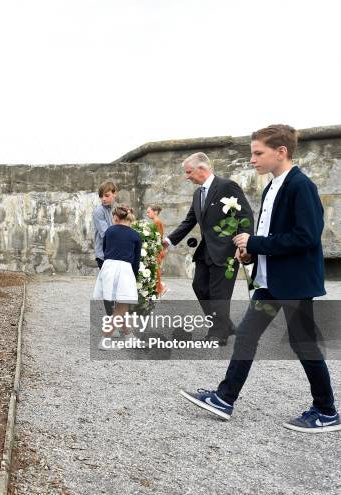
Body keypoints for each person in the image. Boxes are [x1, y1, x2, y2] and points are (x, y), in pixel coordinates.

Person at [181, 124, 340, 433]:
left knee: (303, 344)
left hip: (293, 284)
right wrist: (251, 254)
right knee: (246, 336)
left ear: (281, 152)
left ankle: (327, 410)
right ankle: (224, 398)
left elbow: (306, 237)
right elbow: (271, 235)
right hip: (269, 283)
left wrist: (255, 244)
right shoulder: (271, 187)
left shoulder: (300, 186)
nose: (252, 160)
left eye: (257, 153)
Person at [163, 153, 253, 345]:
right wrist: (169, 241)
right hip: (206, 250)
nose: (187, 176)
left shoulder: (227, 186)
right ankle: (225, 325)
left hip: (227, 250)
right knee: (199, 286)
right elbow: (189, 221)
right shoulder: (198, 194)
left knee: (219, 292)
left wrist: (245, 245)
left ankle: (218, 334)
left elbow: (245, 214)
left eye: (189, 172)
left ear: (201, 169)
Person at [93, 204, 142, 348]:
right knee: (122, 306)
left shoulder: (109, 231)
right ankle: (105, 339)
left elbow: (105, 249)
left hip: (108, 267)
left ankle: (129, 336)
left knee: (121, 306)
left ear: (115, 217)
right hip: (125, 270)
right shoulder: (136, 236)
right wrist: (134, 277)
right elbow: (136, 260)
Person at [93, 180, 117, 269]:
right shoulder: (98, 211)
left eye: (107, 195)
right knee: (106, 282)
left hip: (115, 253)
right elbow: (107, 234)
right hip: (104, 255)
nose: (103, 199)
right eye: (101, 196)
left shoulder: (116, 209)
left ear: (115, 194)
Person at [146, 204, 167, 297]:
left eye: (148, 212)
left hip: (157, 249)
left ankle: (160, 289)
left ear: (155, 212)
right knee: (155, 270)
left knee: (156, 271)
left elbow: (158, 237)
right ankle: (160, 288)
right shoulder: (155, 222)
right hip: (157, 249)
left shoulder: (157, 222)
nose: (147, 214)